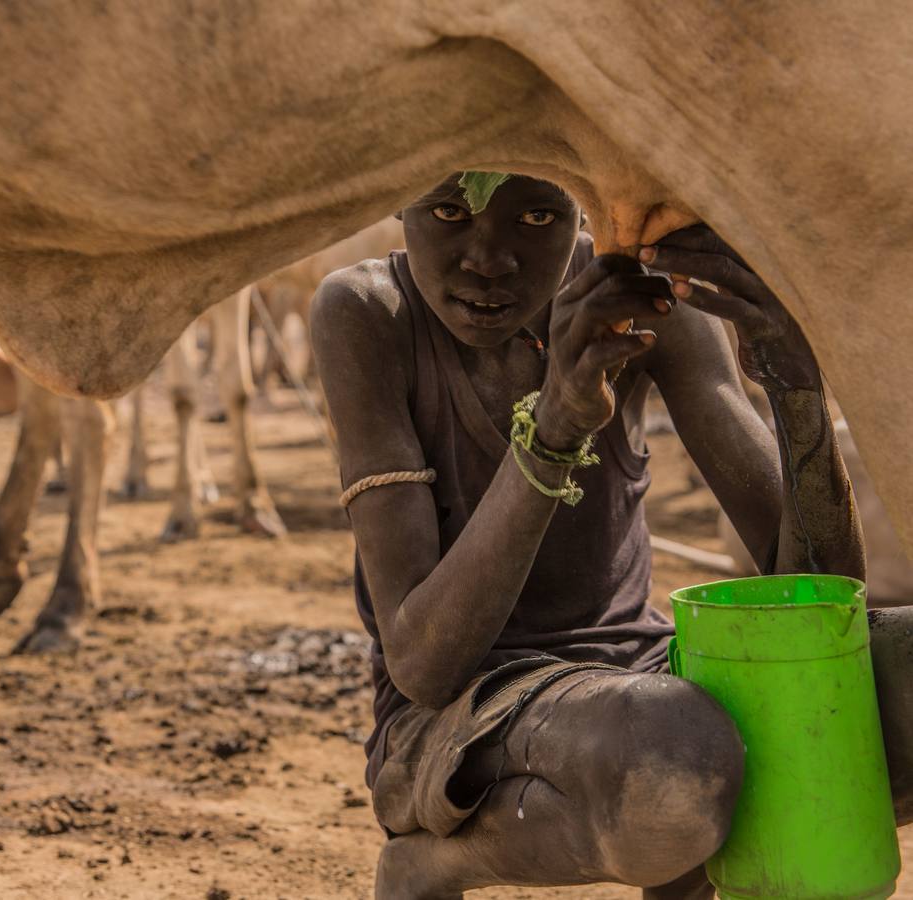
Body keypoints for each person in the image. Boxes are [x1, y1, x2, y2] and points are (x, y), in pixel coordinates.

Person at [310, 172, 912, 899]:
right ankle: (431, 863)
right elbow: (424, 666)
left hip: (639, 681)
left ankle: (687, 857)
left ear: (583, 206)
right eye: (448, 212)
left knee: (703, 735)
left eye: (536, 215)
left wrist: (796, 387)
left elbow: (817, 601)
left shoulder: (637, 303)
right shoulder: (369, 311)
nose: (489, 259)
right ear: (399, 197)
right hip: (457, 717)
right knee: (675, 753)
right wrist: (554, 427)